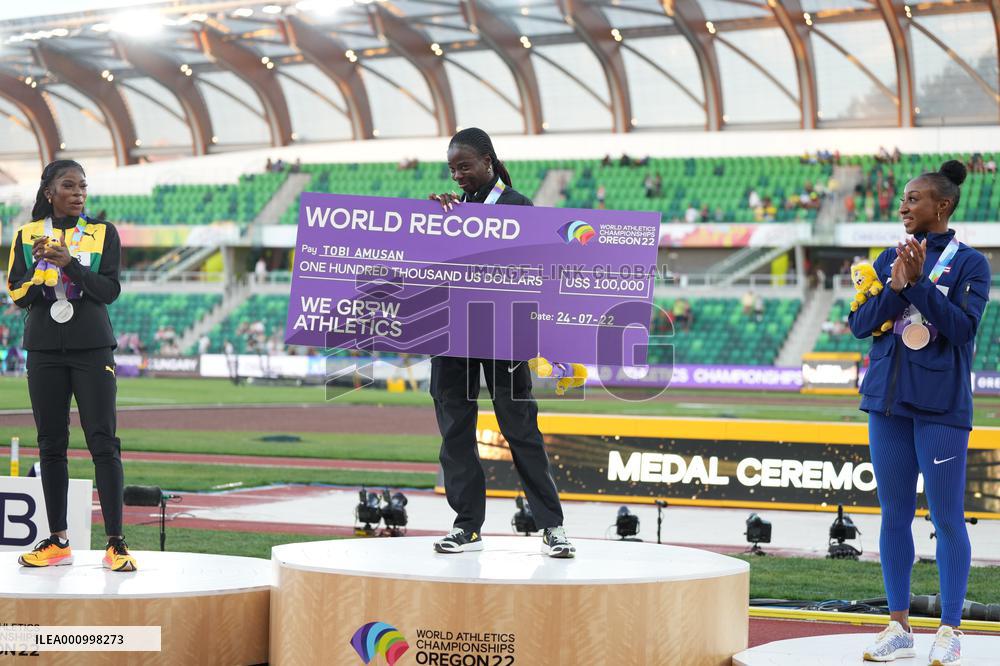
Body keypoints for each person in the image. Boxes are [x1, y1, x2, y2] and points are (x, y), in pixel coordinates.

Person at [850, 161, 990, 664]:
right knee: (894, 517)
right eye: (904, 199)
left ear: (942, 205)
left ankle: (949, 629)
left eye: (914, 199)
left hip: (941, 408)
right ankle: (899, 625)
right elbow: (860, 324)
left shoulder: (972, 264)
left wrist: (916, 286)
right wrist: (893, 284)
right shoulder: (889, 256)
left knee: (948, 519)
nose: (904, 206)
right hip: (886, 404)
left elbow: (961, 330)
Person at [427, 127, 574, 558]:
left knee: (520, 429)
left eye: (464, 166)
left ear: (488, 162)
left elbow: (533, 270)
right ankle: (467, 527)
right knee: (455, 432)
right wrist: (435, 222)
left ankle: (552, 527)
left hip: (504, 334)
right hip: (451, 333)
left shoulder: (518, 206)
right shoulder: (448, 210)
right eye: (452, 168)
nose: (457, 175)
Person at [5, 159, 137, 572]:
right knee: (50, 445)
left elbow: (108, 290)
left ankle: (116, 542)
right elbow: (17, 294)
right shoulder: (27, 235)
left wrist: (71, 265)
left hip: (92, 347)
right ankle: (58, 539)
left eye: (83, 186)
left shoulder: (102, 233)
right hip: (44, 347)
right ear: (50, 192)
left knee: (103, 441)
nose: (79, 193)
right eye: (69, 185)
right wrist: (44, 271)